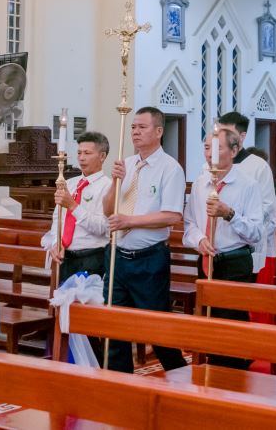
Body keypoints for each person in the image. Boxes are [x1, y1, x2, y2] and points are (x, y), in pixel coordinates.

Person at [101, 107, 187, 374]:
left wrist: (130, 221)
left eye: (142, 127)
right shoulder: (126, 164)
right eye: (133, 127)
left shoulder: (170, 168)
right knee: (114, 326)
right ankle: (120, 383)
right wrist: (115, 182)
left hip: (149, 258)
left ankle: (179, 377)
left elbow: (172, 215)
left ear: (158, 131)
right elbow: (108, 209)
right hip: (118, 255)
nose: (135, 132)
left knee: (156, 327)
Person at [183, 128, 263, 369]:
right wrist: (199, 239)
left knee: (230, 325)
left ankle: (232, 375)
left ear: (234, 150)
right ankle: (212, 374)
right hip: (207, 260)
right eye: (207, 148)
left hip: (235, 262)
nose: (210, 154)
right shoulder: (200, 184)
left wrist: (229, 214)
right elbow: (189, 224)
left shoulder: (247, 185)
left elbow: (256, 232)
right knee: (209, 323)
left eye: (218, 148)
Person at [215, 112, 276, 324]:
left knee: (244, 309)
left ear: (241, 137)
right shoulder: (213, 165)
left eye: (228, 132)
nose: (221, 138)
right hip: (218, 250)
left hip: (248, 248)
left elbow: (267, 208)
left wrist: (234, 217)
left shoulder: (257, 166)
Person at [42, 131, 111, 284]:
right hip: (65, 256)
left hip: (91, 257)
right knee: (62, 297)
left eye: (87, 153)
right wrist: (56, 242)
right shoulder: (70, 183)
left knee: (85, 299)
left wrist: (73, 206)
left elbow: (102, 227)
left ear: (102, 156)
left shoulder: (108, 187)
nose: (81, 158)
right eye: (79, 153)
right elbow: (58, 218)